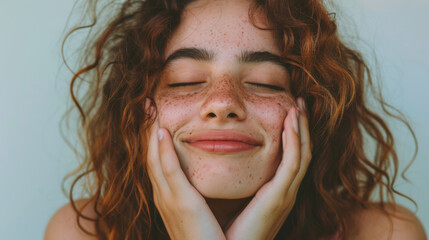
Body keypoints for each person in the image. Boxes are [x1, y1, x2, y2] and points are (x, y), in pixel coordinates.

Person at [45, 0, 427, 239]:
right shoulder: (82, 232)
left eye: (264, 83)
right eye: (186, 80)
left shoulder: (387, 234)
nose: (223, 103)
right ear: (137, 107)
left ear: (312, 108)